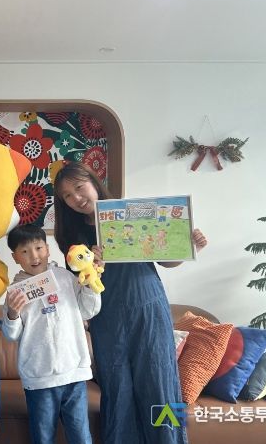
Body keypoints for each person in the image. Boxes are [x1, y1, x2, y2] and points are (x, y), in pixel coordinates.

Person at [53, 161, 207, 444]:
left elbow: (166, 260)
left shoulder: (130, 214)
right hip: (106, 317)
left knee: (161, 383)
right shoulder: (72, 236)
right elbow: (79, 285)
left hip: (148, 306)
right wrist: (93, 266)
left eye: (79, 187)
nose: (76, 198)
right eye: (67, 196)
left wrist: (189, 245)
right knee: (117, 390)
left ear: (93, 182)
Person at [1, 224, 102, 444]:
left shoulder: (66, 277)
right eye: (24, 251)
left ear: (47, 249)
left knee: (81, 435)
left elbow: (88, 310)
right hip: (39, 378)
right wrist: (12, 313)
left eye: (38, 248)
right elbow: (11, 335)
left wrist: (90, 285)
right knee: (43, 436)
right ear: (15, 257)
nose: (34, 256)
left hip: (74, 372)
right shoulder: (16, 292)